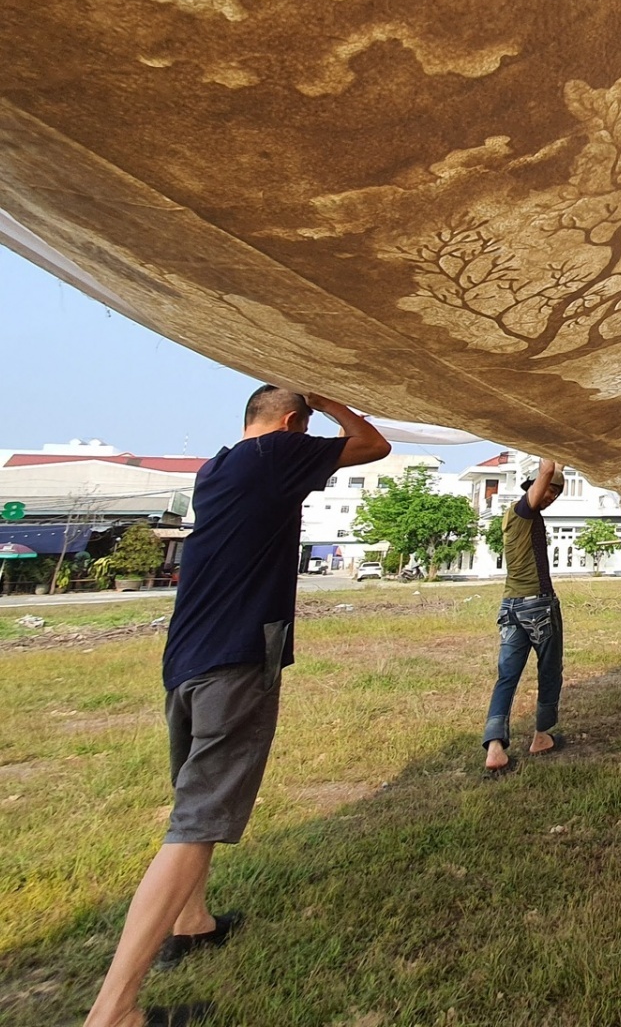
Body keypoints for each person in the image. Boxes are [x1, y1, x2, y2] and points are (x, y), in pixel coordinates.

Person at [84, 387, 389, 1027]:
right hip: (234, 661)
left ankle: (193, 921)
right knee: (197, 822)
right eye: (301, 426)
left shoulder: (216, 467)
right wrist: (331, 402)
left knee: (192, 799)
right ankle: (114, 1010)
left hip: (186, 663)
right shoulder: (278, 452)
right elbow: (374, 446)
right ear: (289, 424)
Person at [483, 459, 567, 775]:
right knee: (549, 671)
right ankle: (542, 736)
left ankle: (495, 748)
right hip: (538, 608)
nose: (551, 496)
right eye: (548, 491)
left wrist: (562, 460)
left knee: (507, 676)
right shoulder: (525, 510)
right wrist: (548, 452)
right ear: (532, 487)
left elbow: (550, 473)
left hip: (510, 608)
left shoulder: (513, 515)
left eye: (557, 493)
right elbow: (546, 470)